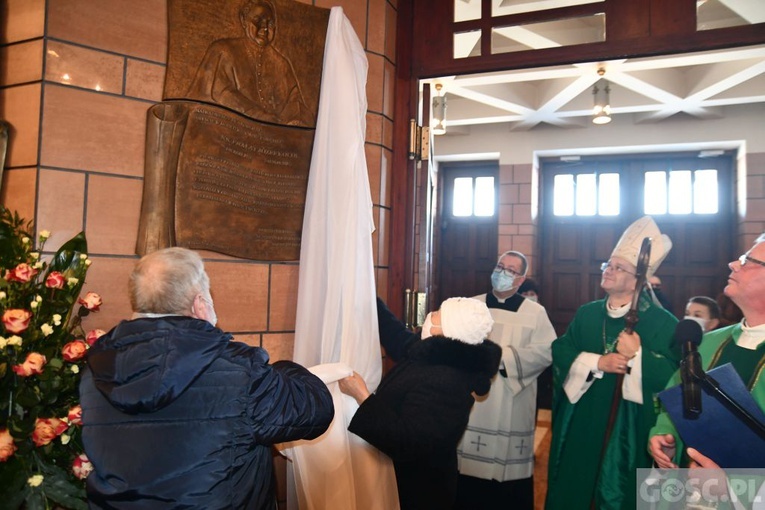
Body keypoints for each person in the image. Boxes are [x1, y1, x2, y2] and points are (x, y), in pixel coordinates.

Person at [79, 247, 334, 509]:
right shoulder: (240, 371)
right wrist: (283, 369)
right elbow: (316, 410)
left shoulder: (95, 373)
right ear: (200, 304)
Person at [546, 216, 681, 510]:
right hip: (585, 418)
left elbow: (675, 377)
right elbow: (561, 349)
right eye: (608, 264)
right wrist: (597, 362)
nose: (609, 270)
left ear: (639, 280)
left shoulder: (664, 323)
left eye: (619, 267)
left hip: (630, 428)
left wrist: (639, 357)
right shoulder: (587, 313)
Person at [339, 297, 502, 510]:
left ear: (449, 330)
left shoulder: (448, 381)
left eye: (438, 313)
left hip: (417, 491)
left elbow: (407, 442)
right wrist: (366, 292)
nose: (430, 314)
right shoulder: (435, 352)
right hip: (399, 479)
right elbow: (394, 333)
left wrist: (362, 395)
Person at [649, 234, 765, 495]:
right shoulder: (707, 342)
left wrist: (736, 486)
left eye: (748, 261)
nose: (734, 264)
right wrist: (666, 436)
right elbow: (677, 400)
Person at [454, 251, 557, 510]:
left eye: (511, 270)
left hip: (513, 396)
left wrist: (502, 358)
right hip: (473, 400)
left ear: (521, 280)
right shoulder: (471, 306)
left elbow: (547, 351)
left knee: (507, 481)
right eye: (500, 266)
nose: (503, 273)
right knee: (467, 476)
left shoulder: (535, 313)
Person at [186, 0, 313, 126]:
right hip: (227, 130)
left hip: (270, 137)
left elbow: (295, 102)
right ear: (244, 21)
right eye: (258, 20)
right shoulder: (223, 50)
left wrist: (294, 120)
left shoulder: (281, 64)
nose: (264, 28)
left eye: (270, 23)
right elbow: (222, 92)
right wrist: (257, 115)